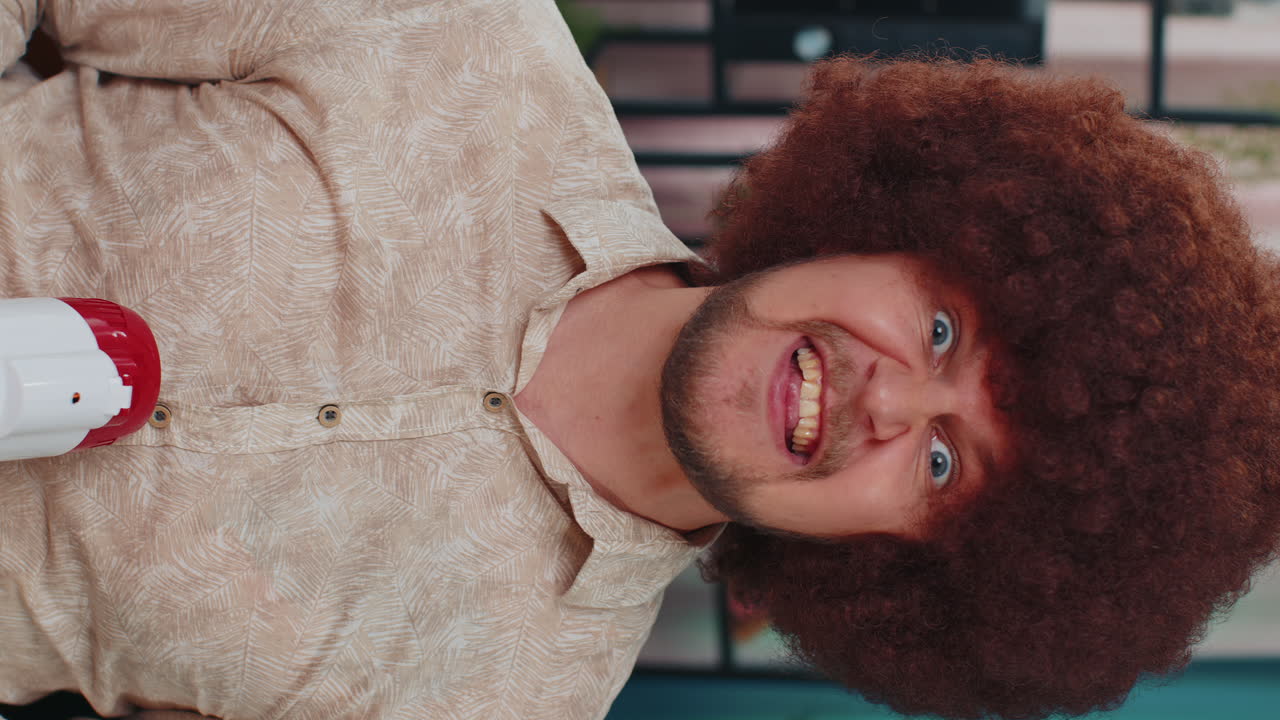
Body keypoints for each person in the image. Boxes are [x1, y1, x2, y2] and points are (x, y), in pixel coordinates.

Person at [1, 1, 1277, 720]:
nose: (889, 396)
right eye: (943, 331)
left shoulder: (508, 705)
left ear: (904, 570)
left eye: (945, 463)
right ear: (896, 225)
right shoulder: (457, 45)